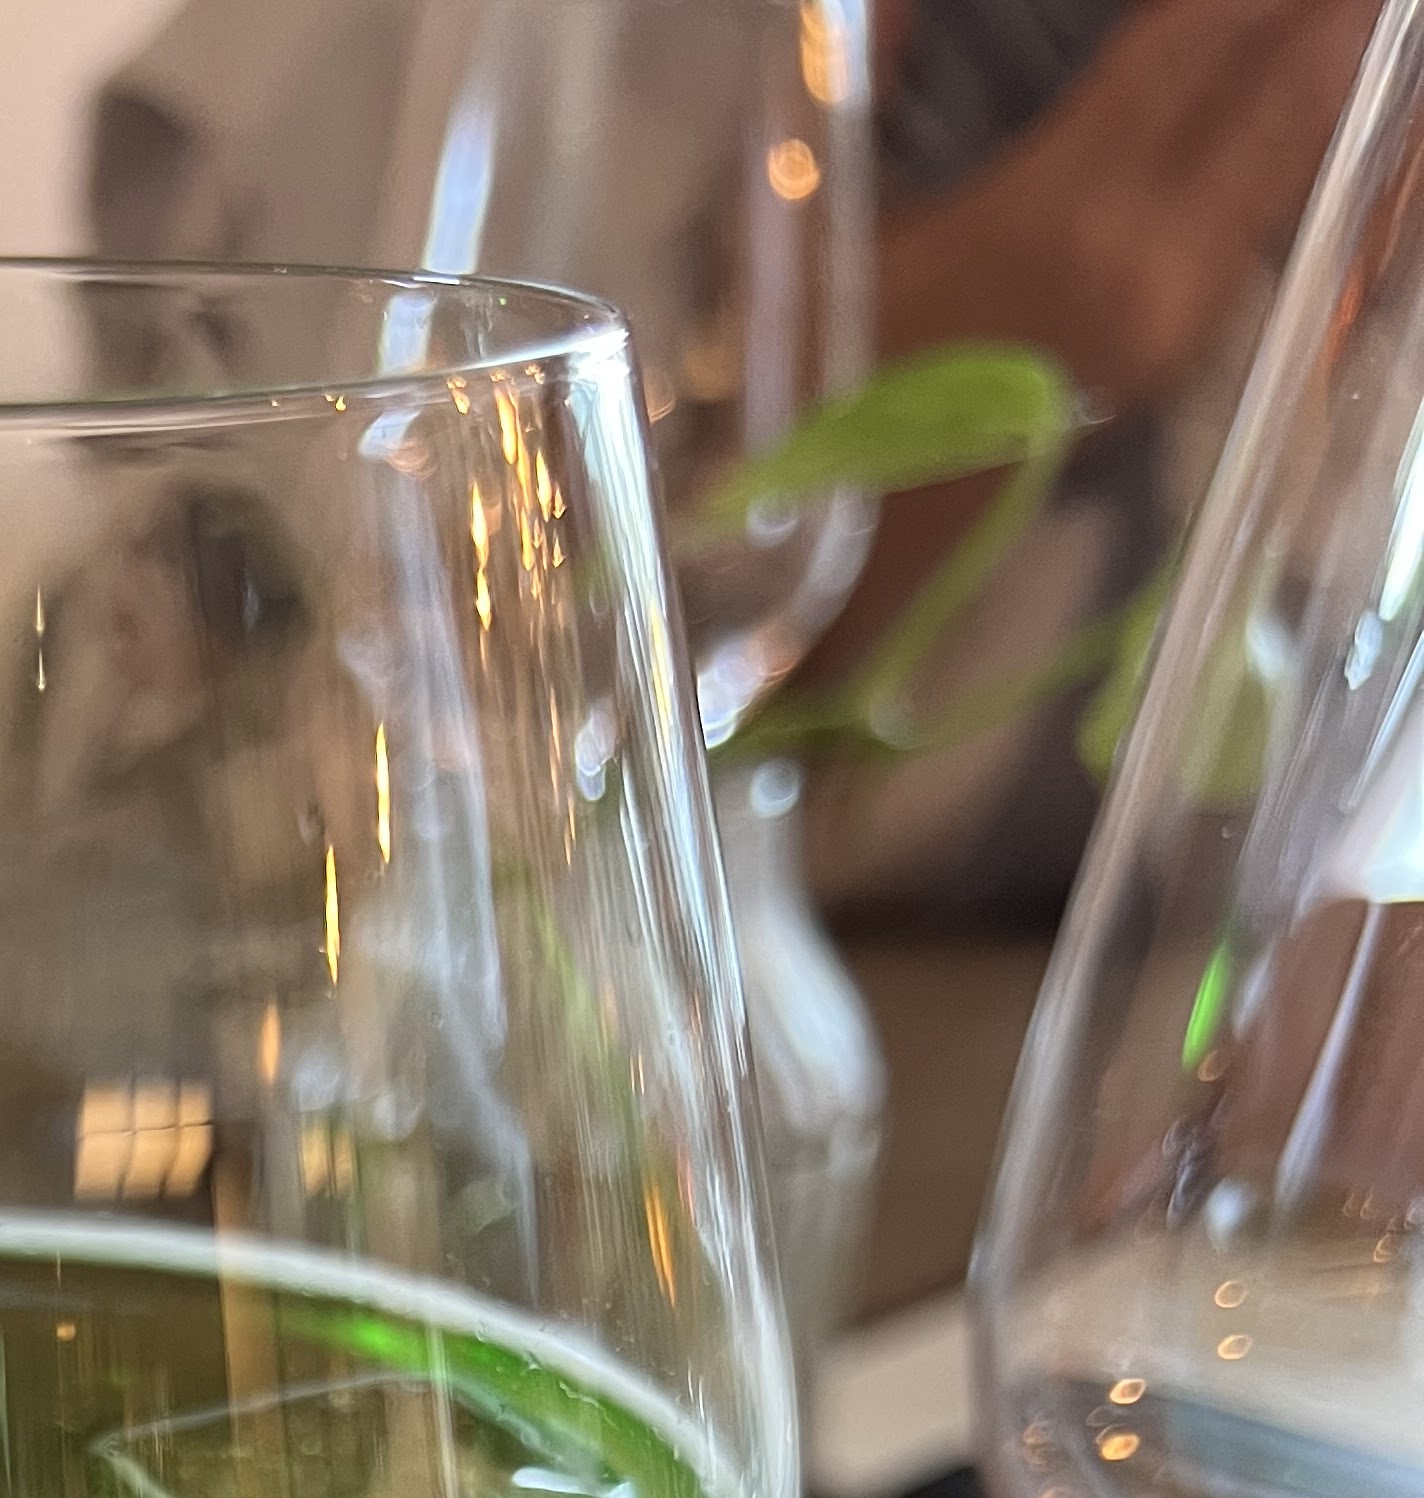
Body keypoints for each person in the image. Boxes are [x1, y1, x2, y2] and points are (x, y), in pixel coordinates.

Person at [90, 0, 1380, 913]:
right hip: (509, 1024)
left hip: (1091, 1084)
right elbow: (262, 746)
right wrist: (987, 347)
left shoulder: (1328, 67)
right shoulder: (371, 78)